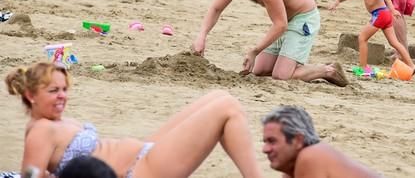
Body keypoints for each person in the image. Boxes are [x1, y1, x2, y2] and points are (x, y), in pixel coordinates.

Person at [5, 62, 263, 178]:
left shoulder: (53, 122)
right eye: (53, 91)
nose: (62, 97)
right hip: (137, 172)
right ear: (31, 95)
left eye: (64, 89)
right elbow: (31, 176)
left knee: (219, 95)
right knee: (227, 108)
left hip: (143, 152)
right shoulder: (40, 130)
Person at [191, 0, 349, 86]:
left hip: (303, 18)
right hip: (283, 21)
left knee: (281, 76)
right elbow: (216, 8)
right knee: (259, 71)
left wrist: (254, 51)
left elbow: (280, 25)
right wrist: (202, 36)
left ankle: (328, 70)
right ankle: (293, 63)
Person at [262, 106, 380, 178]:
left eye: (272, 141)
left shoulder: (310, 156)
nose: (265, 149)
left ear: (298, 140)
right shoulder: (290, 169)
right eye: (265, 142)